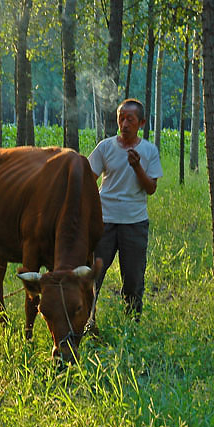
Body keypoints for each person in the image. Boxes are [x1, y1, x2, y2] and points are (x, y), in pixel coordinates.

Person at [89, 98, 163, 320]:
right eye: (121, 118)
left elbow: (151, 188)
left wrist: (137, 166)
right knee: (93, 276)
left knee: (133, 279)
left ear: (141, 123)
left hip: (134, 223)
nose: (124, 124)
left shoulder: (149, 151)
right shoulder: (105, 147)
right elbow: (88, 179)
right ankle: (86, 319)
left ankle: (131, 323)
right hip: (105, 221)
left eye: (130, 119)